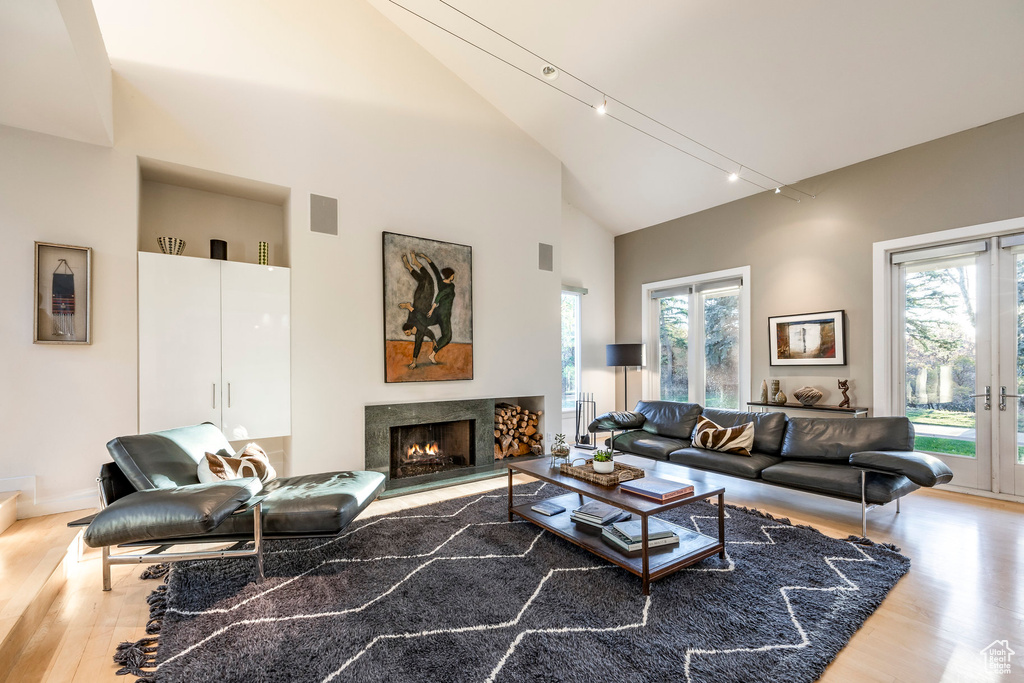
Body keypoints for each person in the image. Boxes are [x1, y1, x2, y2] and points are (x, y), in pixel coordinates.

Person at [399, 253, 437, 369]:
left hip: (422, 303)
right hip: (419, 301)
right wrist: (434, 340)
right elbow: (424, 339)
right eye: (406, 333)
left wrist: (409, 308)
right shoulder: (419, 332)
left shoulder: (411, 321)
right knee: (423, 281)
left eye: (406, 333)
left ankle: (414, 264)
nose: (407, 335)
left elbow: (413, 313)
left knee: (429, 281)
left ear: (409, 329)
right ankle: (410, 266)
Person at [419, 253, 456, 364]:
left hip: (437, 312)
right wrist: (431, 309)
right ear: (450, 275)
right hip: (444, 314)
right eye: (453, 274)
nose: (454, 276)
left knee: (425, 322)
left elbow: (434, 269)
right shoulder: (450, 287)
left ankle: (415, 316)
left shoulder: (440, 282)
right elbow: (439, 296)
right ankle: (433, 354)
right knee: (447, 336)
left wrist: (426, 258)